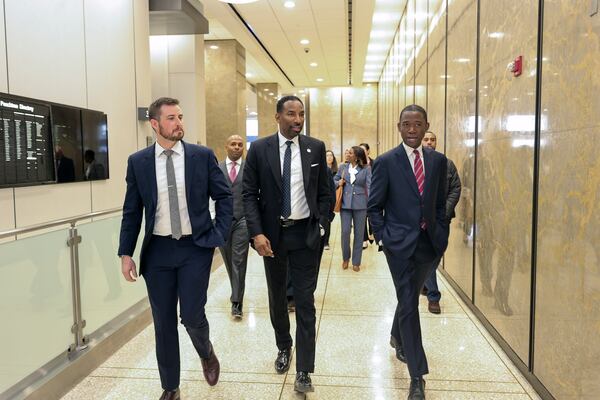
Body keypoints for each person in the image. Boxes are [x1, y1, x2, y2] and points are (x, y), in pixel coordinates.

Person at [118, 97, 232, 400]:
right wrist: (125, 253)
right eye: (171, 118)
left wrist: (218, 233)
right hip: (158, 253)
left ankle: (206, 352)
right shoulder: (139, 162)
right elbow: (132, 211)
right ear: (155, 124)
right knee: (163, 321)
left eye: (180, 116)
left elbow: (225, 197)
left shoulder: (201, 156)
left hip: (196, 247)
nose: (179, 123)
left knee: (192, 315)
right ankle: (171, 387)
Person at [242, 95, 330, 394]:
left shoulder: (314, 147)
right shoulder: (259, 149)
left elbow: (325, 193)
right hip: (272, 238)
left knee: (305, 301)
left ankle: (304, 368)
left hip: (305, 235)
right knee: (277, 297)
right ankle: (284, 346)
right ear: (277, 117)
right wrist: (256, 233)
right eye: (291, 114)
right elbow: (248, 195)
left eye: (301, 114)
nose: (297, 120)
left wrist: (321, 224)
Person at [368, 104, 448, 400]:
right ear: (398, 127)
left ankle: (395, 335)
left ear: (426, 125)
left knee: (409, 298)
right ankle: (417, 375)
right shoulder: (387, 162)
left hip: (429, 244)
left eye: (417, 124)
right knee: (409, 303)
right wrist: (385, 237)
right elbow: (374, 206)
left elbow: (439, 203)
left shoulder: (438, 161)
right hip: (398, 245)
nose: (412, 130)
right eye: (406, 124)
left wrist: (442, 231)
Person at [420, 131, 461, 314]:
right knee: (429, 256)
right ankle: (433, 296)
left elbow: (455, 188)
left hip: (442, 219)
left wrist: (444, 212)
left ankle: (424, 281)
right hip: (421, 221)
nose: (429, 142)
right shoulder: (415, 164)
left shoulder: (446, 163)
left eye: (432, 139)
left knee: (437, 255)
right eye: (426, 139)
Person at [218, 135, 250, 319]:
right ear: (226, 146)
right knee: (229, 260)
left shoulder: (249, 168)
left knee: (239, 260)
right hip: (222, 222)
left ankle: (236, 302)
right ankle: (236, 290)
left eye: (240, 145)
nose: (237, 147)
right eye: (233, 144)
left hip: (242, 220)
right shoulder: (217, 168)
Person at [334, 145, 371, 271]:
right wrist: (337, 183)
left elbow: (370, 186)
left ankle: (356, 261)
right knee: (345, 232)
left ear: (357, 156)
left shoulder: (366, 169)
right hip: (345, 204)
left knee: (359, 234)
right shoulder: (342, 167)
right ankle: (345, 258)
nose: (347, 154)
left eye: (350, 153)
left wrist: (371, 204)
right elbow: (334, 180)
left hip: (361, 205)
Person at [359, 143, 375, 248]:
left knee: (372, 214)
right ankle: (364, 238)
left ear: (368, 151)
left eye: (363, 150)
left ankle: (372, 232)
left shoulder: (375, 162)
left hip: (372, 192)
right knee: (362, 217)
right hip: (360, 194)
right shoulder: (357, 164)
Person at [323, 150, 339, 250]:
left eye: (331, 155)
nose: (329, 157)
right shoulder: (321, 169)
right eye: (327, 155)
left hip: (331, 197)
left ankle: (326, 242)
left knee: (327, 221)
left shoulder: (336, 170)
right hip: (324, 197)